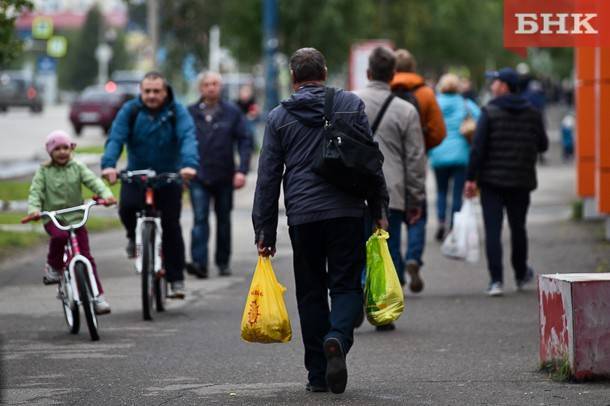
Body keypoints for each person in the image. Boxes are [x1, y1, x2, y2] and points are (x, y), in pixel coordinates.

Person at [252, 48, 389, 394]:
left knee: (311, 292)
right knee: (345, 285)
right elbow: (369, 158)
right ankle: (337, 338)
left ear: (293, 77)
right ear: (325, 72)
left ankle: (317, 374)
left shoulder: (278, 117)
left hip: (303, 215)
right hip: (346, 210)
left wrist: (264, 229)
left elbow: (268, 176)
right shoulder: (350, 104)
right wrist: (379, 208)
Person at [101, 71, 199, 299]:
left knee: (171, 226)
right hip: (137, 174)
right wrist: (109, 165)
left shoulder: (177, 111)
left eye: (157, 91)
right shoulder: (131, 111)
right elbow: (116, 137)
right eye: (147, 91)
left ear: (165, 92)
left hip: (169, 176)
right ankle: (131, 236)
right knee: (126, 207)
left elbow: (188, 138)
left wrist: (189, 166)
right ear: (141, 92)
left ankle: (176, 280)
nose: (152, 95)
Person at [354, 46, 426, 325]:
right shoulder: (406, 110)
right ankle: (384, 310)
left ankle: (357, 293)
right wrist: (415, 198)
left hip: (354, 190)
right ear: (393, 74)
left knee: (356, 247)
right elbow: (415, 158)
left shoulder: (350, 102)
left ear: (368, 72)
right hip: (392, 192)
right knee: (388, 250)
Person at [464, 67, 549, 297]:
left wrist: (471, 179)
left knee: (493, 230)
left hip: (491, 182)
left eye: (495, 82)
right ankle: (521, 274)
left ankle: (496, 281)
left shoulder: (489, 112)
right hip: (521, 180)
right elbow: (543, 145)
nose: (492, 85)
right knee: (518, 228)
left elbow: (477, 149)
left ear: (504, 86)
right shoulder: (532, 112)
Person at [28, 130, 116, 314]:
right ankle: (53, 266)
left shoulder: (77, 167)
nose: (62, 152)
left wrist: (106, 195)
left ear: (71, 149)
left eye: (65, 148)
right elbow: (35, 192)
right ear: (50, 152)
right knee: (59, 237)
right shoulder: (44, 171)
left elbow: (93, 181)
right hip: (55, 218)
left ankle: (98, 297)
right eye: (57, 149)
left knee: (87, 257)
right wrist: (34, 210)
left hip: (76, 217)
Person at [185, 72, 253, 278]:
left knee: (224, 220)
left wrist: (241, 170)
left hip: (225, 175)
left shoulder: (232, 112)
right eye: (207, 84)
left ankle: (223, 262)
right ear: (200, 88)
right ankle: (199, 263)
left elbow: (245, 141)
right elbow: (180, 141)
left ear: (220, 87)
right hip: (198, 175)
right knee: (199, 219)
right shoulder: (190, 113)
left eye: (215, 84)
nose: (211, 87)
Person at [390, 49, 447, 293]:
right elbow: (438, 131)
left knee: (390, 220)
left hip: (387, 164)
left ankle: (397, 268)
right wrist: (422, 145)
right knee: (417, 214)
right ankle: (413, 257)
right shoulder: (425, 93)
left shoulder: (385, 91)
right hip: (415, 162)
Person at [430, 73, 481, 237]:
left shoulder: (435, 103)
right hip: (461, 155)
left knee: (441, 191)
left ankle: (440, 221)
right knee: (458, 192)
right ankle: (454, 226)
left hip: (438, 154)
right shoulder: (466, 104)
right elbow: (480, 119)